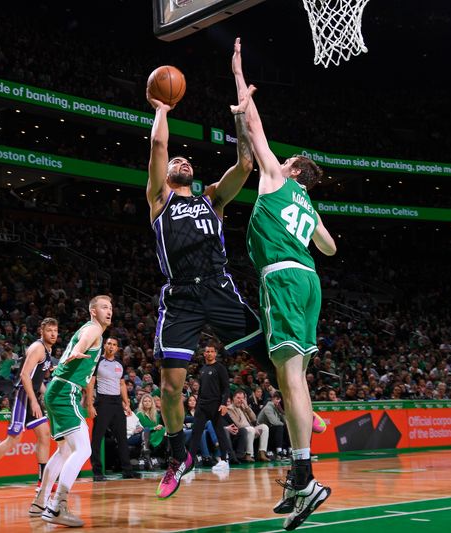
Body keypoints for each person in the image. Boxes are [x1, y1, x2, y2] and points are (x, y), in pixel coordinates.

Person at [145, 51, 268, 500]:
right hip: (180, 297)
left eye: (186, 160)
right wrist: (161, 110)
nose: (181, 160)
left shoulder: (211, 199)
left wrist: (240, 121)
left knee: (266, 352)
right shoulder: (159, 200)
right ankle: (179, 456)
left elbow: (245, 167)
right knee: (170, 385)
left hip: (218, 288)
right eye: (177, 161)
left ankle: (299, 416)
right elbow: (159, 148)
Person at [234, 38, 337, 530]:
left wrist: (240, 84)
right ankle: (299, 480)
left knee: (290, 378)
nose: (282, 160)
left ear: (294, 169)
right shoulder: (309, 206)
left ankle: (305, 475)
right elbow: (330, 247)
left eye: (289, 160)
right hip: (310, 280)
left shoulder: (277, 176)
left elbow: (255, 130)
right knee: (291, 377)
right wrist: (311, 223)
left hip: (282, 279)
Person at [33, 296, 113, 527]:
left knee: (64, 451)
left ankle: (40, 501)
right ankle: (57, 506)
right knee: (83, 449)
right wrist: (76, 351)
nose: (109, 311)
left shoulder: (90, 329)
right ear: (93, 311)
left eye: (111, 307)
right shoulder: (94, 330)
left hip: (59, 390)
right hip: (65, 392)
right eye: (104, 307)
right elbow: (83, 342)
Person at [0, 318, 58, 498]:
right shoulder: (37, 348)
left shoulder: (48, 350)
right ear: (41, 332)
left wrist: (46, 396)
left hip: (32, 396)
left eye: (55, 330)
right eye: (49, 331)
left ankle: (43, 481)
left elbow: (37, 380)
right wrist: (33, 401)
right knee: (12, 441)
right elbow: (24, 375)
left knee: (44, 435)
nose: (53, 334)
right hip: (23, 397)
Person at [89, 337, 140, 480]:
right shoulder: (97, 361)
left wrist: (126, 403)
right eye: (109, 344)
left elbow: (122, 384)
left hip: (117, 402)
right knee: (97, 438)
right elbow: (91, 383)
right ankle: (97, 472)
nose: (111, 346)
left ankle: (127, 470)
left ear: (117, 348)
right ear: (105, 345)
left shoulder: (119, 363)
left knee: (122, 438)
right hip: (103, 401)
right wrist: (90, 404)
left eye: (114, 345)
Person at [188, 344, 237, 466]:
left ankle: (224, 460)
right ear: (204, 354)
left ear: (215, 354)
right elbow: (201, 388)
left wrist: (224, 404)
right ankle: (189, 463)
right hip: (202, 405)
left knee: (219, 431)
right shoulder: (203, 368)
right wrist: (198, 403)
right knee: (195, 432)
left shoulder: (220, 368)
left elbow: (226, 388)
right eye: (207, 351)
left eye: (211, 351)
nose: (209, 353)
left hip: (216, 405)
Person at [229, 389, 270, 462]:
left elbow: (254, 419)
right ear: (233, 398)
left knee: (264, 427)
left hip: (251, 429)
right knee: (251, 429)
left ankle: (262, 453)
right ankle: (248, 454)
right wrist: (253, 428)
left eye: (242, 398)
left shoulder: (243, 407)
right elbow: (237, 424)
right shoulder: (230, 408)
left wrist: (247, 407)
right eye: (238, 398)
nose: (240, 400)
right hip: (240, 432)